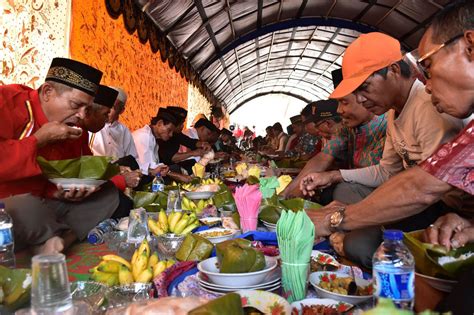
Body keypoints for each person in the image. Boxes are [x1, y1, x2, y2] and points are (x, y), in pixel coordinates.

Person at [305, 32, 470, 269]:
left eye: (365, 88)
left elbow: (428, 190)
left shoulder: (429, 106)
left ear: (393, 70)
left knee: (357, 245)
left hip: (436, 208)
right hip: (418, 199)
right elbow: (387, 171)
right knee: (345, 191)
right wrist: (337, 181)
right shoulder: (393, 112)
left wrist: (340, 218)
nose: (360, 100)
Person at [0, 57, 120, 254]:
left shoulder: (71, 127)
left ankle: (58, 239)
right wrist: (38, 141)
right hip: (11, 207)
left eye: (87, 109)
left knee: (107, 193)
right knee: (26, 207)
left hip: (44, 205)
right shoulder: (7, 103)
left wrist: (60, 192)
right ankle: (56, 238)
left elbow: (48, 178)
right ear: (47, 92)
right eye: (75, 105)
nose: (81, 115)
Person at [89, 86, 138, 160]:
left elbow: (132, 157)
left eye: (112, 107)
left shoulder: (124, 130)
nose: (108, 111)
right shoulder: (93, 126)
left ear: (121, 110)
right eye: (106, 106)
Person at [158, 106, 210, 173]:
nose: (182, 126)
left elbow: (190, 142)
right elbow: (171, 157)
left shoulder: (176, 134)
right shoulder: (162, 136)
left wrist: (203, 144)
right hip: (162, 170)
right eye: (180, 123)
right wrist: (193, 153)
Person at [132, 108, 177, 176]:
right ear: (159, 124)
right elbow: (148, 169)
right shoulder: (144, 136)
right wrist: (174, 175)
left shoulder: (152, 137)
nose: (171, 135)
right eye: (169, 130)